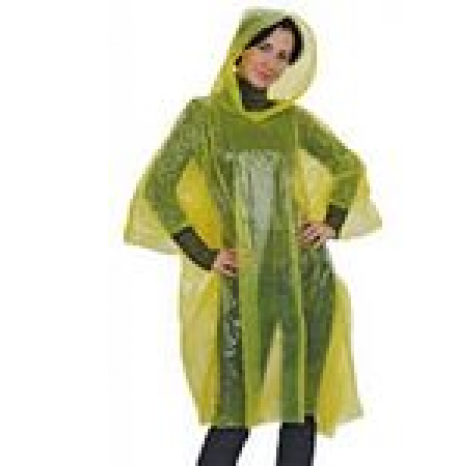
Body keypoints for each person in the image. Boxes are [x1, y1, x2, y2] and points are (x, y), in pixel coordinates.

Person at [124, 7, 382, 465]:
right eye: (265, 48)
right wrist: (203, 253)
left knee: (300, 411)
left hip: (305, 281)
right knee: (233, 416)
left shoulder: (291, 120)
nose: (272, 63)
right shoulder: (203, 117)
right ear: (240, 49)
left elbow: (347, 165)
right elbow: (159, 187)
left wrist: (332, 221)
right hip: (243, 283)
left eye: (283, 56)